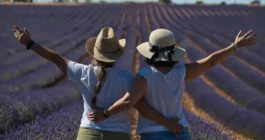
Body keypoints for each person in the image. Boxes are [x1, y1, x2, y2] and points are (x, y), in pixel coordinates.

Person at [13, 26, 183, 140]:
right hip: (118, 135)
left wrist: (29, 43)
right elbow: (138, 104)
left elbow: (56, 58)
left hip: (88, 133)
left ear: (94, 54)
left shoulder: (82, 72)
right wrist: (166, 122)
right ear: (116, 55)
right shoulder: (126, 76)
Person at [88, 28, 257, 140]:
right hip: (179, 132)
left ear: (149, 53)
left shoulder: (144, 76)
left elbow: (129, 101)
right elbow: (211, 61)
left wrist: (105, 112)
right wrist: (234, 46)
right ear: (172, 54)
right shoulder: (181, 72)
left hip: (153, 134)